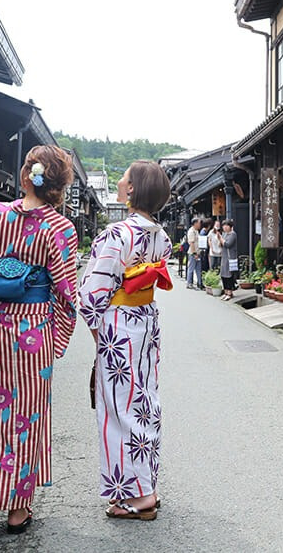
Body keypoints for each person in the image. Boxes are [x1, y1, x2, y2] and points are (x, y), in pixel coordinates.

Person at [0, 145, 79, 548]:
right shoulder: (60, 229)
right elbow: (66, 293)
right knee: (26, 418)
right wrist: (57, 338)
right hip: (33, 333)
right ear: (60, 185)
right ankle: (18, 508)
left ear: (26, 175)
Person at [79, 160, 172, 521]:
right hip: (146, 322)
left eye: (124, 179)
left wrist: (98, 334)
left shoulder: (116, 234)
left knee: (119, 410)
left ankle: (137, 497)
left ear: (131, 189)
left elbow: (91, 294)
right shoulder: (159, 235)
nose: (119, 182)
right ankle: (147, 484)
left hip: (118, 326)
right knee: (145, 403)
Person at [219, 219, 238, 300]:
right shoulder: (224, 234)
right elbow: (221, 244)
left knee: (229, 275)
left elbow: (227, 244)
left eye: (227, 226)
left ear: (230, 227)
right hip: (224, 257)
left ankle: (230, 292)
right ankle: (226, 291)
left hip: (230, 257)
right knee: (223, 274)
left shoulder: (233, 234)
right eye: (224, 226)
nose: (225, 227)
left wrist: (221, 239)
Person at [185, 217, 203, 290]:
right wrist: (195, 253)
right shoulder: (191, 231)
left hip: (197, 252)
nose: (200, 224)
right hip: (193, 253)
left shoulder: (196, 231)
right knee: (191, 268)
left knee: (198, 269)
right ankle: (189, 283)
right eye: (199, 223)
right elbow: (191, 243)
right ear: (195, 223)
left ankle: (200, 283)